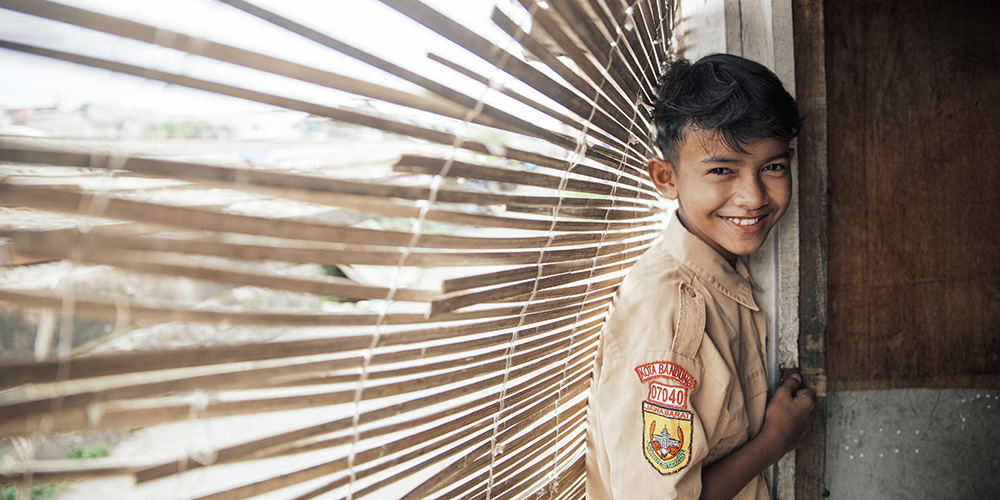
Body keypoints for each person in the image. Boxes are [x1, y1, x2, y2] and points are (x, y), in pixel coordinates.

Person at [585, 53, 817, 499]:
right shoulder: (669, 312)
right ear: (666, 178)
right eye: (721, 171)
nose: (752, 197)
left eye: (773, 167)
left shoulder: (724, 275)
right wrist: (775, 441)